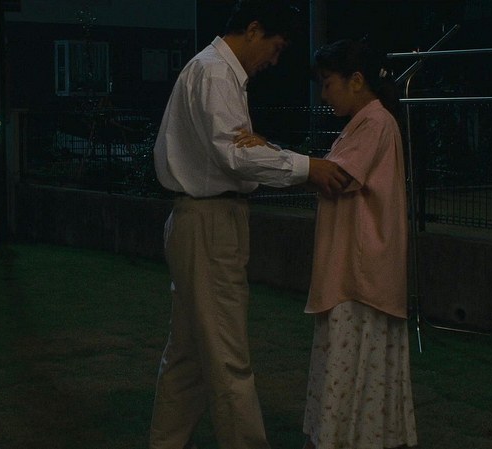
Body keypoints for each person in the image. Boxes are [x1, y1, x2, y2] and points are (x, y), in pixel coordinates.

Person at [148, 1, 349, 448]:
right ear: (254, 30)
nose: (273, 61)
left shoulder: (210, 70)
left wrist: (268, 153)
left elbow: (238, 150)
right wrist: (308, 167)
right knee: (226, 357)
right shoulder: (217, 73)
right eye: (276, 48)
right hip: (210, 219)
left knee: (189, 356)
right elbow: (236, 154)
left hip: (199, 217)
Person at [302, 38, 417, 449]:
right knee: (355, 367)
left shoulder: (375, 122)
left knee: (351, 364)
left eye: (328, 82)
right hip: (358, 270)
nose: (324, 93)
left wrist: (276, 158)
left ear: (355, 80)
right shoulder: (368, 122)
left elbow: (337, 177)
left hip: (360, 273)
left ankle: (343, 440)